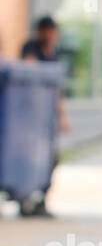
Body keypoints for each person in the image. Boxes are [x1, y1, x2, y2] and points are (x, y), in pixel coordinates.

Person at [19, 14, 70, 216]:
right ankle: (25, 199)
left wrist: (63, 117)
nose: (53, 36)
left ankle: (40, 200)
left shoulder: (52, 54)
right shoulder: (31, 47)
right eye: (50, 32)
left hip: (45, 120)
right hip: (28, 119)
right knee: (27, 159)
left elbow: (57, 90)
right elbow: (30, 71)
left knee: (50, 159)